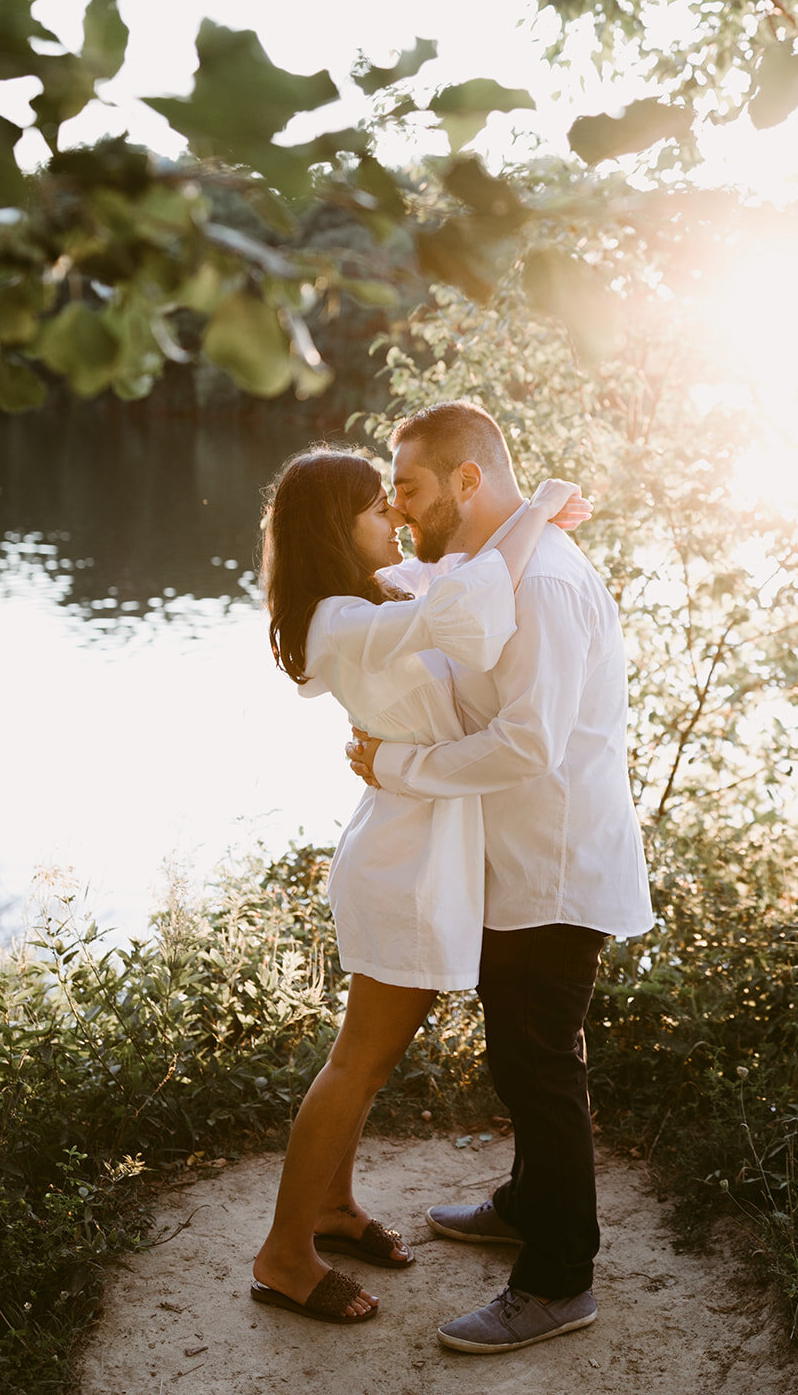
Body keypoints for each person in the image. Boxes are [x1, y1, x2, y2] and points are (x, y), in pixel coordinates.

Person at [251, 446, 590, 1327]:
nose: (393, 519)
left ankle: (332, 1208)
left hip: (421, 851)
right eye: (376, 507)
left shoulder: (376, 600)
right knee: (357, 1063)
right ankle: (285, 1254)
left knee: (365, 1065)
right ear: (337, 525)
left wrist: (516, 524)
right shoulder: (343, 620)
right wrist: (538, 506)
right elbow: (471, 600)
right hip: (402, 864)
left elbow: (461, 598)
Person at [347, 401, 654, 1354]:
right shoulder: (491, 567)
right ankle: (528, 1202)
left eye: (408, 487)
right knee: (520, 1059)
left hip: (554, 870)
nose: (399, 510)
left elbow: (527, 743)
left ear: (466, 481)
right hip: (513, 866)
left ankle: (560, 1278)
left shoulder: (548, 586)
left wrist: (395, 768)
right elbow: (422, 583)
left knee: (538, 1064)